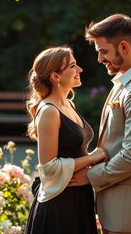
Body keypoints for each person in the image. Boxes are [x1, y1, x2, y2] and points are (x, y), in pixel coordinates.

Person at [69, 14, 131, 234]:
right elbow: (113, 144)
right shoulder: (126, 82)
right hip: (118, 207)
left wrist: (89, 176)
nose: (99, 59)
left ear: (123, 47)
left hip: (130, 212)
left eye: (103, 52)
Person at [24, 46, 108, 234]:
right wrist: (92, 158)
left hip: (79, 195)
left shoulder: (68, 104)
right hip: (60, 204)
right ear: (56, 76)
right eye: (72, 66)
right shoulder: (49, 111)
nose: (79, 70)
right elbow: (49, 168)